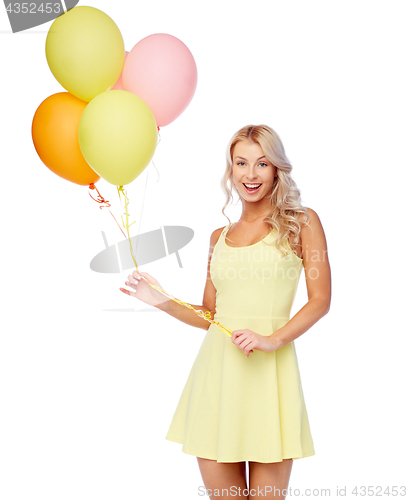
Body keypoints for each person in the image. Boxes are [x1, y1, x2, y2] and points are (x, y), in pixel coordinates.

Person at [120, 124, 331, 499]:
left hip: (270, 377)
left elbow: (320, 301)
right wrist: (161, 300)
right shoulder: (219, 237)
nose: (250, 174)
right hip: (218, 376)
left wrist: (271, 340)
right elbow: (211, 313)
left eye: (262, 163)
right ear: (230, 169)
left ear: (277, 169)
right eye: (241, 163)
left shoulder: (302, 222)